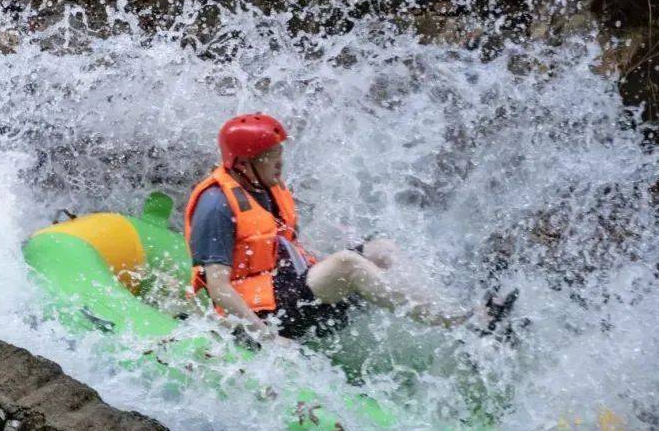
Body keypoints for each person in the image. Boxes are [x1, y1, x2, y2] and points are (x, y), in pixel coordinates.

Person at [185, 113, 483, 343]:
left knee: (382, 249)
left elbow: (283, 244)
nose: (280, 166)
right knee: (347, 263)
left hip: (285, 287)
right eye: (271, 160)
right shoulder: (217, 205)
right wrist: (267, 338)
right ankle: (458, 324)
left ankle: (453, 312)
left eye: (280, 157)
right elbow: (219, 287)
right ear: (243, 164)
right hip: (262, 315)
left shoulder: (263, 186)